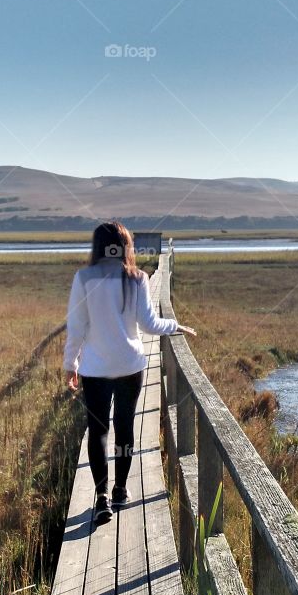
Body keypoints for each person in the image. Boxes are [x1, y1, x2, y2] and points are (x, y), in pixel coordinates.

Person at [62, 221, 197, 524]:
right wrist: (176, 326)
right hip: (129, 366)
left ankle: (100, 497)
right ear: (126, 246)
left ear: (97, 246)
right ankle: (121, 489)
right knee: (124, 427)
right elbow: (149, 325)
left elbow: (76, 328)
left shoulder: (83, 278)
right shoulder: (137, 278)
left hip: (95, 370)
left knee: (98, 431)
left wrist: (70, 365)